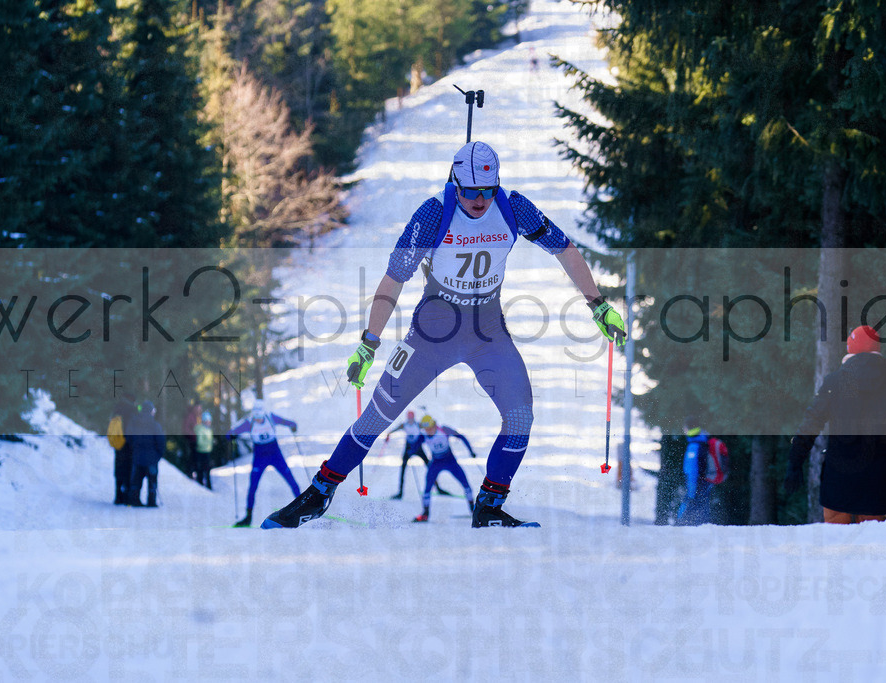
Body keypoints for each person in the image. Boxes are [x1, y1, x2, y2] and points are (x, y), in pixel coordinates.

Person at [262, 140, 627, 529]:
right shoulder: (434, 213)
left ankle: (488, 507)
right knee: (378, 415)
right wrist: (369, 343)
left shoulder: (512, 205)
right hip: (432, 334)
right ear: (456, 183)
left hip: (487, 332)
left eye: (487, 191)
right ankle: (317, 495)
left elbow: (564, 249)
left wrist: (598, 305)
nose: (480, 200)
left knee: (520, 417)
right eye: (471, 192)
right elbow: (394, 279)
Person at [784, 325, 886, 523]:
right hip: (877, 483)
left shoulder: (834, 381)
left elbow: (811, 423)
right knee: (871, 548)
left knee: (836, 548)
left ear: (851, 348)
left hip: (838, 481)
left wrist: (795, 462)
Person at [227, 400, 300, 527]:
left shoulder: (270, 417)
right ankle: (248, 517)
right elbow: (230, 433)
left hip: (275, 454)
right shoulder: (249, 423)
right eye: (256, 418)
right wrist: (232, 436)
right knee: (253, 486)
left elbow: (288, 422)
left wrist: (293, 425)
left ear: (263, 414)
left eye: (259, 417)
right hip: (260, 457)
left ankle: (303, 508)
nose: (258, 420)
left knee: (291, 480)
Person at [411, 415, 476, 522]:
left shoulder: (444, 429)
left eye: (430, 428)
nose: (428, 431)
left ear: (434, 425)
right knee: (427, 488)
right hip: (436, 462)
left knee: (466, 484)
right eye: (426, 429)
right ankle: (425, 514)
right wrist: (411, 451)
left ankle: (473, 510)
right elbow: (414, 445)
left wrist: (471, 451)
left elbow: (461, 436)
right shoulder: (423, 435)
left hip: (450, 461)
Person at [384, 410, 449, 499]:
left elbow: (430, 426)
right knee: (403, 469)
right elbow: (394, 429)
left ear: (413, 418)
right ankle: (400, 492)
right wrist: (388, 435)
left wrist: (428, 416)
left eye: (411, 418)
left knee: (429, 466)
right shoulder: (404, 425)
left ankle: (438, 488)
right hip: (408, 448)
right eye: (409, 418)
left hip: (418, 447)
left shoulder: (418, 424)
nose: (410, 419)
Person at [675, 416, 714, 525]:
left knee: (689, 518)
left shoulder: (694, 445)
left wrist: (690, 493)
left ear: (688, 428)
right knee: (702, 516)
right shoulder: (704, 440)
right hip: (704, 485)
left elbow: (692, 471)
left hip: (695, 487)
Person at [127, 400, 166, 507]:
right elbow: (161, 442)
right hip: (151, 458)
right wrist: (158, 455)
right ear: (150, 411)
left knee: (136, 481)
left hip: (137, 457)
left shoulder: (134, 422)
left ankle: (134, 500)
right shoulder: (155, 425)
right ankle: (151, 501)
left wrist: (133, 450)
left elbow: (129, 437)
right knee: (152, 481)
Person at [108, 393, 137, 505]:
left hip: (118, 443)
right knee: (128, 470)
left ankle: (118, 496)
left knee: (119, 469)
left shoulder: (117, 408)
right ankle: (126, 496)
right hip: (128, 444)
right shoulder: (132, 410)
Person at [193, 410, 215, 489]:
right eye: (207, 421)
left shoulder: (209, 429)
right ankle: (200, 484)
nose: (209, 423)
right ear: (204, 421)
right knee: (202, 469)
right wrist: (207, 445)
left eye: (210, 421)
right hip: (201, 452)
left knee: (207, 469)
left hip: (207, 451)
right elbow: (200, 442)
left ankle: (208, 485)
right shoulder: (200, 429)